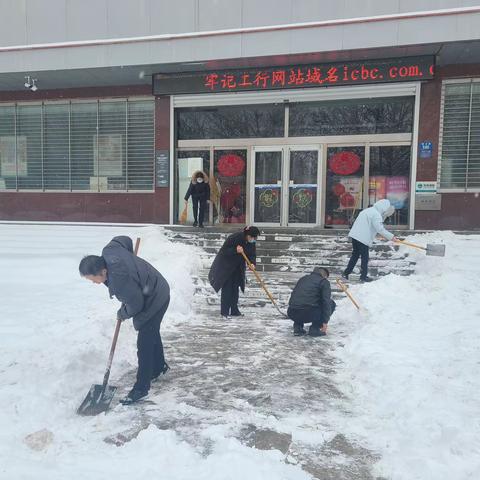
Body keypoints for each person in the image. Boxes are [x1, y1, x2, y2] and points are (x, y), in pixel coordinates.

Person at [79, 236, 170, 405]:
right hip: (155, 285)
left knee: (145, 342)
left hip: (155, 297)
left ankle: (141, 388)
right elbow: (123, 240)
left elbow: (136, 304)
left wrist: (123, 313)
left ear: (103, 272)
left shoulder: (120, 283)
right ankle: (158, 367)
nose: (93, 283)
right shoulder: (110, 250)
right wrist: (130, 262)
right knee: (151, 331)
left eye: (93, 279)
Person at [208, 226, 259, 319]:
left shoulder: (251, 242)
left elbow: (252, 254)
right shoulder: (234, 238)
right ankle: (225, 311)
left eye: (255, 238)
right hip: (226, 267)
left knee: (235, 289)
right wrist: (235, 250)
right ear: (247, 235)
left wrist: (252, 263)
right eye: (252, 237)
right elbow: (224, 251)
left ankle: (234, 310)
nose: (254, 240)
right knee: (227, 289)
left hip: (238, 267)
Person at [342, 199, 398, 282]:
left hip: (355, 236)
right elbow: (380, 229)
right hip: (363, 238)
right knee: (365, 257)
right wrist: (391, 237)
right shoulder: (376, 214)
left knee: (355, 255)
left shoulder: (367, 211)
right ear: (383, 208)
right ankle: (363, 276)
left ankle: (346, 273)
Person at [287, 267, 336, 337]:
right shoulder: (324, 282)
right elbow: (326, 302)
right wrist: (325, 322)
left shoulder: (303, 279)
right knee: (331, 304)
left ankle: (298, 327)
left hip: (292, 312)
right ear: (325, 276)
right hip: (309, 313)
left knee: (302, 301)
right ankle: (315, 328)